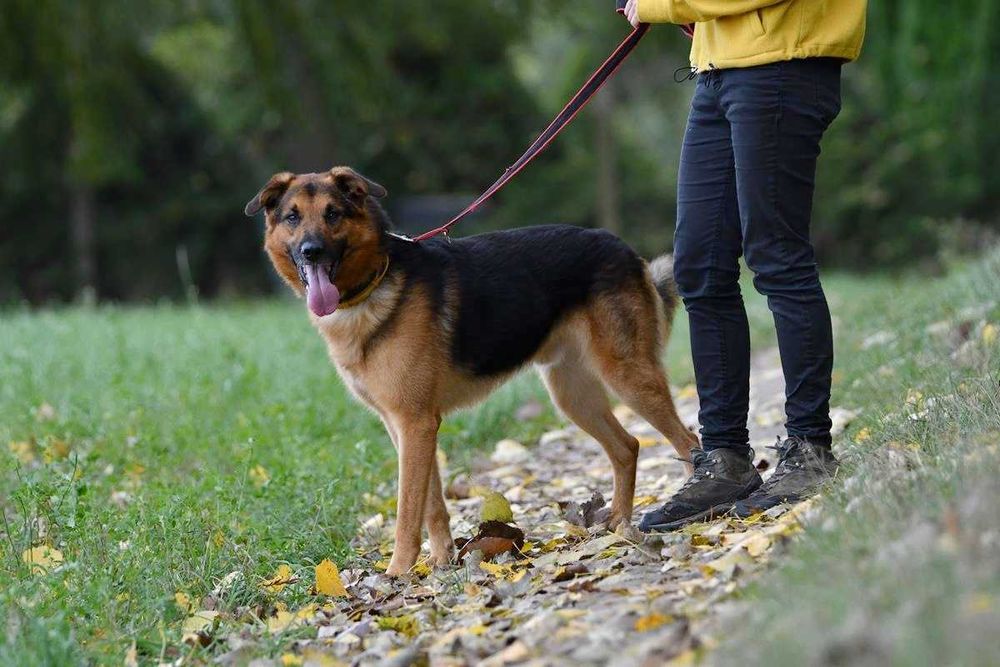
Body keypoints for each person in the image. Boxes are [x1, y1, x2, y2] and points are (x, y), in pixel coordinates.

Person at [621, 0, 868, 531]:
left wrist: (659, 5)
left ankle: (810, 449)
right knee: (699, 268)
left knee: (777, 257)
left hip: (784, 66)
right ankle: (724, 459)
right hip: (717, 69)